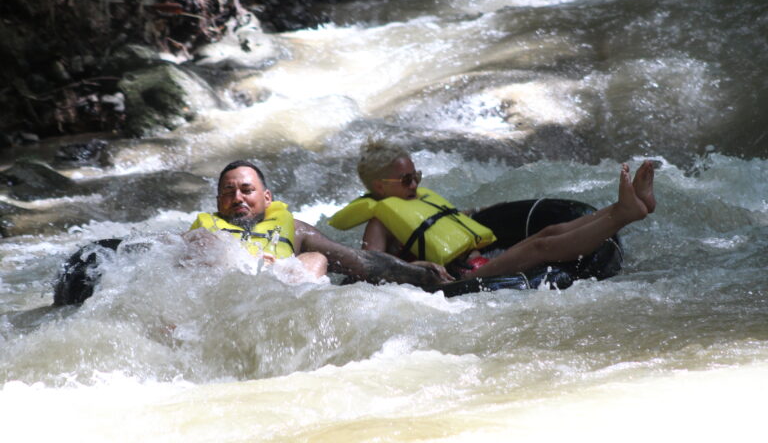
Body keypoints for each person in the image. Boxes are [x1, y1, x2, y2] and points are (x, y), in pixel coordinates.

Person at [329, 140, 656, 280]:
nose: (414, 183)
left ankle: (621, 207)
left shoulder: (416, 199)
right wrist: (416, 267)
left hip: (478, 260)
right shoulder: (379, 221)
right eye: (406, 179)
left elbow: (448, 222)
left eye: (417, 175)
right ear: (380, 187)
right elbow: (372, 266)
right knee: (542, 246)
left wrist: (471, 214)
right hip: (456, 277)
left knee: (548, 231)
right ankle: (626, 213)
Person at [184, 160, 454, 286]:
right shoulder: (205, 231)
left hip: (278, 296)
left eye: (247, 190)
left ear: (267, 197)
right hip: (219, 295)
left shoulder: (296, 229)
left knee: (315, 258)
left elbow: (354, 260)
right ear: (218, 201)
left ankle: (297, 307)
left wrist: (411, 271)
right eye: (229, 193)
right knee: (202, 241)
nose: (238, 198)